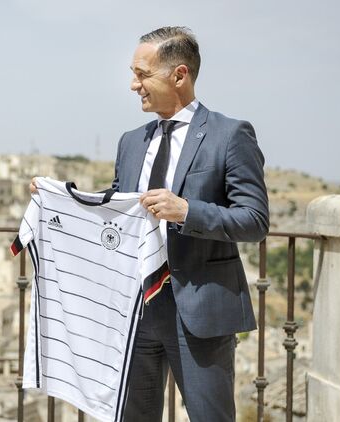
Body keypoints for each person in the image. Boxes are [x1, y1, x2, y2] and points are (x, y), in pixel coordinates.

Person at [115, 27, 269, 421]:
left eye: (142, 74)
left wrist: (187, 211)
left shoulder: (230, 135)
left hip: (201, 312)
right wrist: (59, 197)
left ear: (179, 75)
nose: (134, 85)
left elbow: (254, 220)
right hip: (135, 311)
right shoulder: (130, 142)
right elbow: (118, 208)